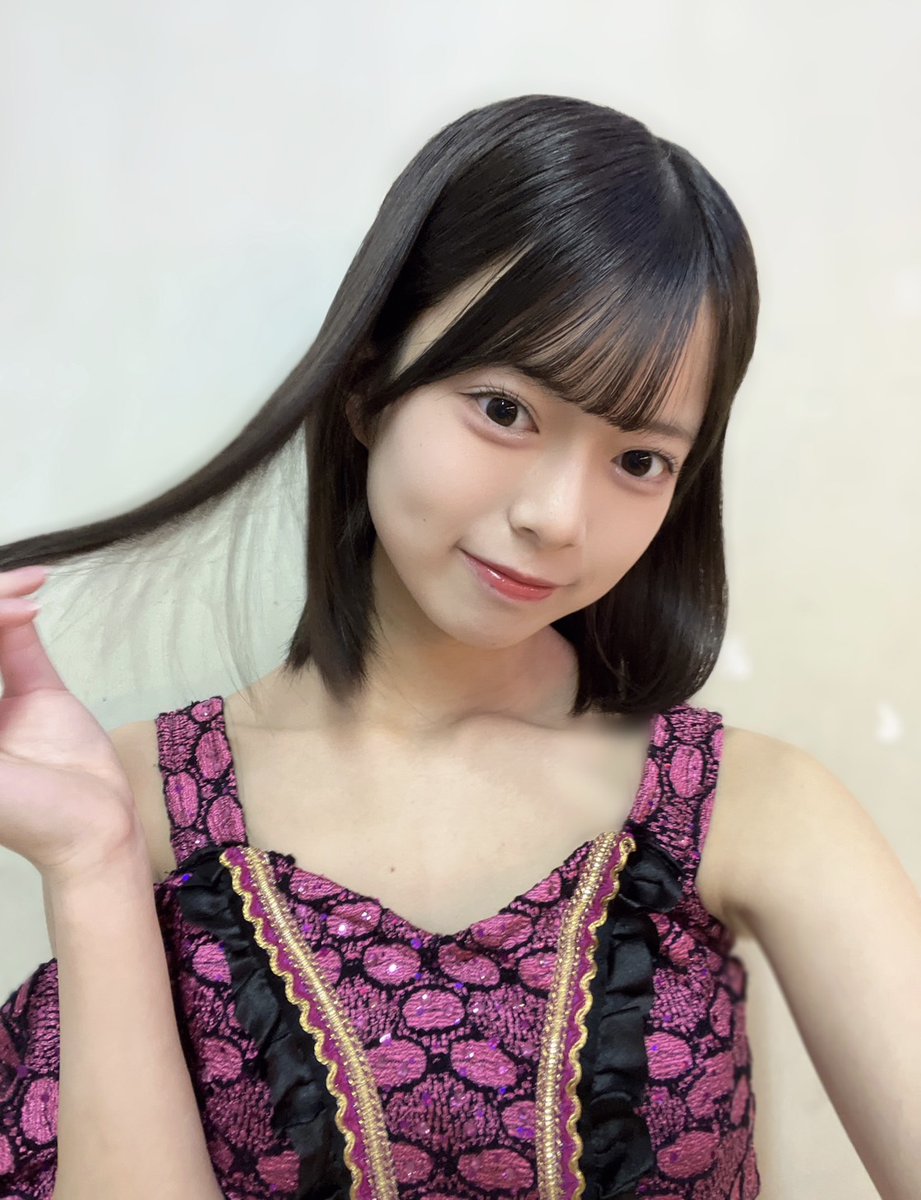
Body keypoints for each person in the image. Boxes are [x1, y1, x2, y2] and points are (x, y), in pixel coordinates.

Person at [0, 93, 918, 1200]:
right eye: (504, 408)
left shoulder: (758, 810)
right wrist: (91, 863)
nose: (557, 518)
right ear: (365, 382)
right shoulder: (137, 801)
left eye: (638, 460)